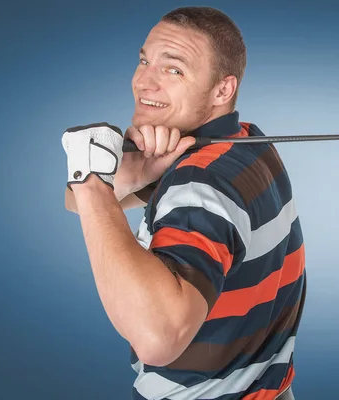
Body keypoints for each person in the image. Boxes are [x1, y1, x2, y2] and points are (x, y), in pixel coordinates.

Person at [61, 6, 306, 400]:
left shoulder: (199, 182)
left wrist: (92, 184)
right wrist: (129, 177)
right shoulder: (247, 142)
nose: (144, 82)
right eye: (144, 61)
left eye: (173, 69)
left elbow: (158, 338)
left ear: (222, 90)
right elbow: (75, 204)